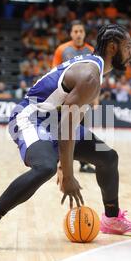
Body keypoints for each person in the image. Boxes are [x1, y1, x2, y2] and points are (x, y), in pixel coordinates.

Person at [0, 24, 131, 253]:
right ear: (113, 47)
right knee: (45, 167)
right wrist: (68, 173)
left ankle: (111, 219)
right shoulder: (90, 75)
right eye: (127, 46)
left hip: (55, 120)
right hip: (31, 118)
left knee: (108, 157)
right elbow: (67, 124)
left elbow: (70, 120)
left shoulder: (92, 68)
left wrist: (66, 160)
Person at [53, 20, 96, 174]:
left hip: (84, 99)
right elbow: (55, 74)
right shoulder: (62, 50)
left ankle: (84, 164)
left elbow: (95, 78)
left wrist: (95, 100)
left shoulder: (92, 51)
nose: (78, 34)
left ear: (84, 33)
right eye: (75, 31)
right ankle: (58, 161)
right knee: (62, 130)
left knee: (83, 131)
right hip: (65, 97)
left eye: (81, 31)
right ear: (71, 33)